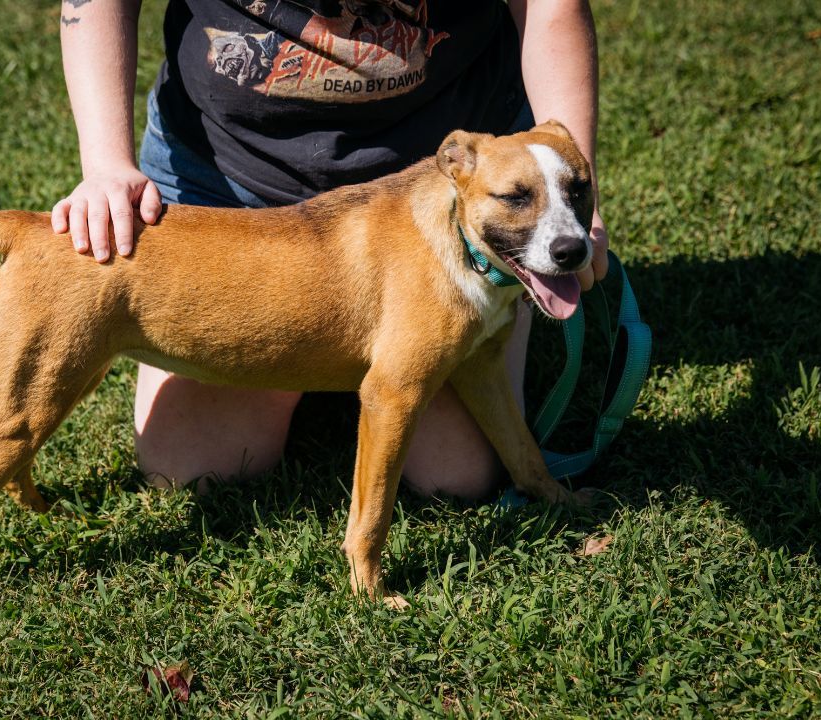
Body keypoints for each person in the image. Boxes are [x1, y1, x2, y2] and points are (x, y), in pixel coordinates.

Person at [51, 0, 609, 500]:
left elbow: (549, 7)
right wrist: (105, 161)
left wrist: (574, 196)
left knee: (456, 476)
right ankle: (337, 352)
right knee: (190, 469)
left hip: (436, 181)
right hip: (227, 175)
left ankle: (369, 352)